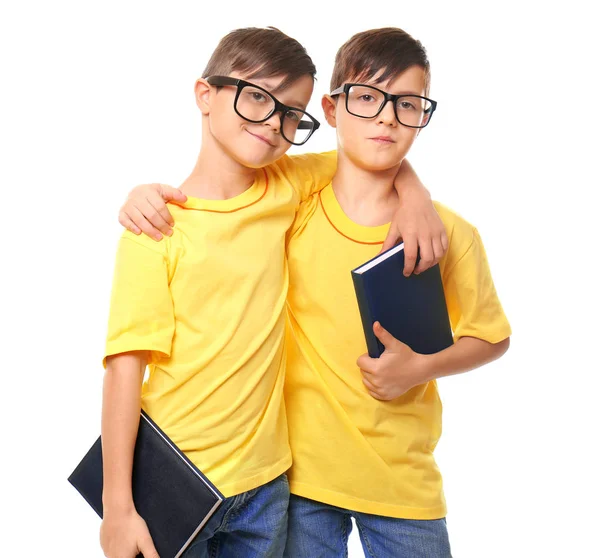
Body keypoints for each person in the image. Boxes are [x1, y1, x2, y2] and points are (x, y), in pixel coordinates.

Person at [101, 27, 444, 558]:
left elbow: (370, 155)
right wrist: (118, 507)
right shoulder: (156, 230)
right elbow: (124, 370)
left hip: (269, 488)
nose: (273, 124)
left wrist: (415, 193)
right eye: (257, 96)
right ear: (204, 94)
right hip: (177, 479)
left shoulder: (285, 184)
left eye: (291, 114)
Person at [280, 28, 512, 557]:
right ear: (332, 110)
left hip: (403, 481)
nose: (387, 117)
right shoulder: (294, 199)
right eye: (367, 98)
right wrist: (147, 193)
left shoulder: (448, 233)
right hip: (301, 480)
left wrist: (421, 368)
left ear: (422, 117)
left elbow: (492, 338)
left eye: (407, 104)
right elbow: (226, 186)